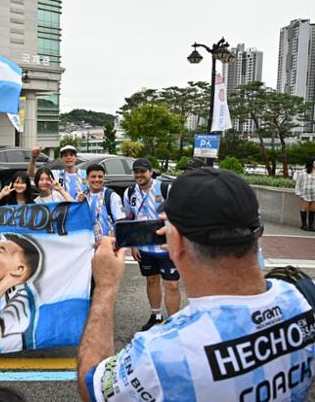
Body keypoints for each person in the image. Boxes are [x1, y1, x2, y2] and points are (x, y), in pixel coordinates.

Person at [77, 168, 315, 401]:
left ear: (176, 242)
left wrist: (105, 287)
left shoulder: (158, 353)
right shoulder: (302, 295)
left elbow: (93, 387)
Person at [123, 158, 178, 331]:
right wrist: (133, 244)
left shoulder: (165, 188)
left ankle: (173, 322)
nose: (139, 175)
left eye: (142, 171)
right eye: (136, 172)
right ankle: (156, 316)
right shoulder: (129, 192)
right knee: (152, 280)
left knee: (172, 285)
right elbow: (129, 218)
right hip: (144, 247)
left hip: (166, 246)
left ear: (151, 171)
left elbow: (179, 214)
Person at [77, 165, 125, 245]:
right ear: (87, 179)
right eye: (93, 177)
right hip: (86, 246)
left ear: (104, 179)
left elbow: (120, 222)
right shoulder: (81, 196)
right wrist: (78, 205)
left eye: (100, 177)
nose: (97, 180)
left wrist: (108, 242)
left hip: (107, 246)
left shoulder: (112, 196)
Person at [295, 157, 315, 231]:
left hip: (314, 193)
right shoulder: (303, 172)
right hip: (305, 193)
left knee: (313, 209)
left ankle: (311, 225)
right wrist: (298, 192)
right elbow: (298, 182)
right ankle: (304, 225)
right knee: (304, 208)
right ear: (311, 162)